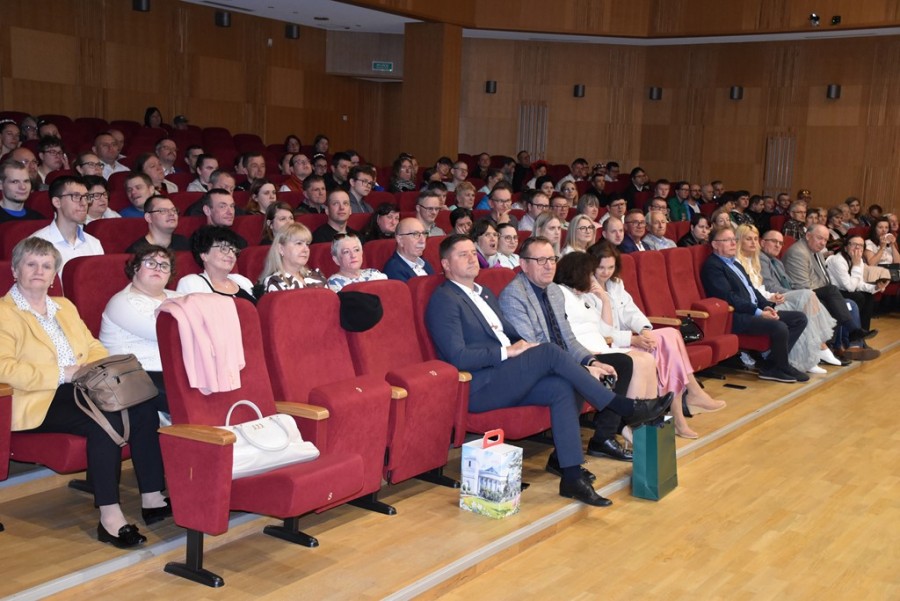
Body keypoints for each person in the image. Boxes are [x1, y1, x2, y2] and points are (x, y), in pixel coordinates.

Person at [425, 235, 674, 506]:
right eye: (463, 254)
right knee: (549, 350)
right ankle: (623, 406)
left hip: (508, 374)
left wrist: (527, 349)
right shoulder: (445, 299)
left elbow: (512, 334)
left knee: (560, 387)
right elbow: (458, 356)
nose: (472, 258)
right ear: (445, 264)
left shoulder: (483, 293)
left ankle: (571, 477)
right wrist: (509, 351)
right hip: (479, 385)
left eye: (473, 253)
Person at [0, 237, 169, 548]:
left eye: (46, 266)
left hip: (81, 386)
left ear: (54, 274)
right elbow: (4, 368)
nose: (39, 271)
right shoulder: (4, 312)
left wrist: (92, 369)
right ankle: (110, 516)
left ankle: (152, 496)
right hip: (38, 397)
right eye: (31, 264)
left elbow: (93, 346)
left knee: (142, 403)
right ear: (15, 270)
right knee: (106, 417)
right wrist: (62, 373)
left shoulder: (64, 307)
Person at [562, 246, 727, 438]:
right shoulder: (586, 289)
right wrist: (633, 338)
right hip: (615, 343)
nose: (606, 272)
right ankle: (681, 409)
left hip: (626, 338)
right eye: (601, 268)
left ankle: (682, 406)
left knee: (671, 335)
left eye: (611, 267)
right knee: (664, 348)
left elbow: (632, 312)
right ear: (592, 267)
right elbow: (603, 332)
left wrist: (645, 330)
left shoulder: (616, 284)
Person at [500, 237, 642, 459]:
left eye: (552, 259)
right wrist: (581, 369)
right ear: (524, 264)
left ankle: (603, 439)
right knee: (570, 380)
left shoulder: (554, 291)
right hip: (535, 367)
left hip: (562, 360)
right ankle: (562, 457)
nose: (549, 265)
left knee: (622, 363)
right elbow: (533, 349)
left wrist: (592, 361)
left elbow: (567, 338)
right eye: (541, 260)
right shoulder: (514, 295)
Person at [701, 225, 809, 383]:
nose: (733, 243)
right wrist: (758, 312)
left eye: (734, 239)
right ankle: (781, 366)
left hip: (753, 311)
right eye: (728, 240)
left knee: (799, 318)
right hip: (736, 316)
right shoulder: (713, 266)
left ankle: (771, 365)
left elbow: (752, 289)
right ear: (715, 244)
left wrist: (766, 306)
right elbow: (729, 297)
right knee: (779, 326)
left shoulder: (736, 264)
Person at [736, 224, 838, 374]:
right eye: (748, 239)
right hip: (762, 304)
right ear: (739, 240)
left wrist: (773, 296)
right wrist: (772, 297)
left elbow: (761, 287)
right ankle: (818, 349)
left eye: (755, 239)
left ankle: (811, 355)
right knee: (806, 297)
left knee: (807, 301)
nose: (753, 242)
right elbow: (757, 289)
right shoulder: (743, 261)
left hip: (770, 298)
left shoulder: (758, 261)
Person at [100, 245, 180, 419]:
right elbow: (164, 333)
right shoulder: (122, 302)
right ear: (136, 268)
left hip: (174, 373)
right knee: (193, 400)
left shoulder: (178, 297)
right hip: (134, 375)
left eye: (164, 265)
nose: (158, 268)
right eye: (151, 263)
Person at [758, 230, 853, 365]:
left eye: (780, 243)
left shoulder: (777, 262)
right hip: (774, 299)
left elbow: (789, 283)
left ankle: (821, 350)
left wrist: (797, 293)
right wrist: (796, 294)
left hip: (787, 294)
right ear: (762, 243)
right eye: (774, 241)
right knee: (817, 295)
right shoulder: (761, 258)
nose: (778, 245)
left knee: (835, 299)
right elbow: (769, 286)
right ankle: (822, 349)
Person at [32, 175, 104, 271]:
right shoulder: (36, 244)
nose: (84, 203)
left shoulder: (94, 244)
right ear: (57, 202)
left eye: (86, 197)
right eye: (76, 196)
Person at [176, 226, 255, 303]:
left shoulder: (242, 280)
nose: (231, 255)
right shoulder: (192, 283)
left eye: (234, 250)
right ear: (204, 255)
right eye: (224, 249)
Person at [826, 236, 889, 326]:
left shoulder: (858, 260)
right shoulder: (838, 260)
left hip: (846, 289)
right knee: (858, 296)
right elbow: (850, 287)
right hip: (833, 291)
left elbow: (859, 284)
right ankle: (853, 328)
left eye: (861, 245)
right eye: (854, 244)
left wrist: (875, 287)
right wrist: (856, 265)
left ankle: (863, 329)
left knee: (869, 296)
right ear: (846, 248)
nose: (857, 247)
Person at [257, 222, 327, 293]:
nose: (306, 249)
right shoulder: (275, 282)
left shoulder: (317, 276)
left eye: (307, 244)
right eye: (299, 243)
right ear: (281, 249)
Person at [383, 218, 435, 282]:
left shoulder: (424, 263)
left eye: (424, 234)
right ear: (400, 240)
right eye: (415, 234)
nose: (422, 240)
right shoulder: (394, 270)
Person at [0, 159, 43, 223]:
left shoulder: (38, 220)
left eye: (26, 181)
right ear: (1, 185)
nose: (23, 187)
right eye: (15, 182)